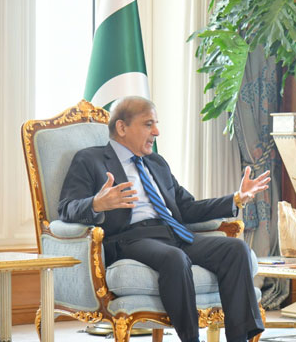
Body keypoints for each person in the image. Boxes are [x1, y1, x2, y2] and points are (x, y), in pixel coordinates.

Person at [58, 96, 270, 342]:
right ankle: (191, 339)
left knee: (236, 249)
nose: (156, 132)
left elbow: (186, 208)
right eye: (148, 124)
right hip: (130, 239)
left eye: (156, 124)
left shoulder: (156, 162)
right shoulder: (89, 160)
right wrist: (96, 204)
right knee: (174, 258)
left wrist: (236, 199)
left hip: (172, 233)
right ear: (122, 127)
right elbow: (66, 208)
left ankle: (240, 338)